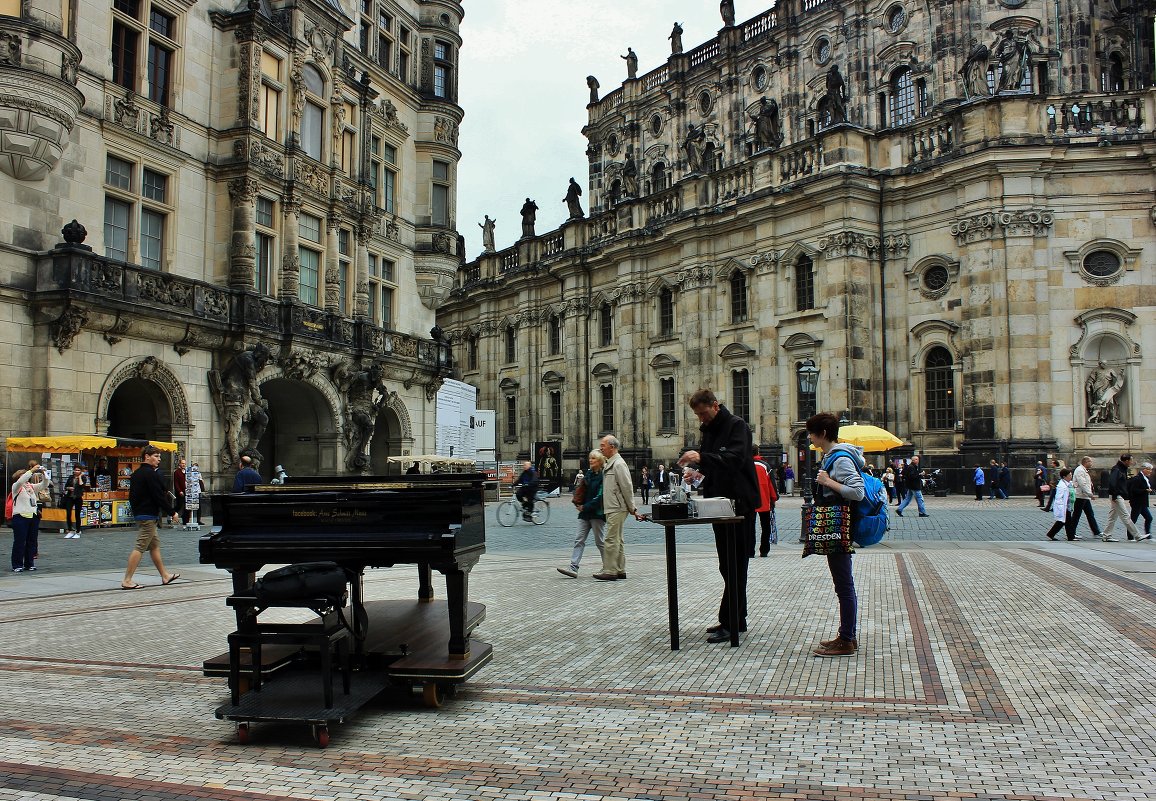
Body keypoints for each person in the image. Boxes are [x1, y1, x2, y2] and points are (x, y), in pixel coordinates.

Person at [678, 389, 760, 644]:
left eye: (703, 413)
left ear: (715, 405)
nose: (701, 419)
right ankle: (737, 617)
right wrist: (697, 475)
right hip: (718, 504)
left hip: (739, 504)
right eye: (697, 415)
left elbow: (733, 459)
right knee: (726, 564)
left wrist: (701, 457)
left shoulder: (737, 426)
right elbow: (713, 467)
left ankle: (731, 621)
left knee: (735, 563)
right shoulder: (709, 429)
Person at [806, 412, 864, 657]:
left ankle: (847, 640)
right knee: (842, 583)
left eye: (812, 432)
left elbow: (858, 491)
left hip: (839, 526)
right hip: (835, 526)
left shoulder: (840, 459)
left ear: (823, 434)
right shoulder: (832, 457)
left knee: (844, 584)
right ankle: (846, 634)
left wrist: (828, 482)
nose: (809, 436)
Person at [121, 445, 179, 589]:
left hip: (141, 513)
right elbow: (158, 496)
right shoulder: (151, 474)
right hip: (148, 515)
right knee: (140, 547)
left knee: (154, 546)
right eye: (156, 456)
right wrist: (172, 512)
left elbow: (132, 497)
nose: (158, 460)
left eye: (159, 457)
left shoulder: (136, 474)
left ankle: (165, 575)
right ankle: (127, 580)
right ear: (146, 456)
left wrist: (137, 511)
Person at [593, 435, 642, 581]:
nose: (601, 448)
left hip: (617, 507)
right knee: (618, 539)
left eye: (603, 445)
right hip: (613, 506)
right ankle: (620, 569)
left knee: (610, 539)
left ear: (612, 447)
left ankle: (610, 570)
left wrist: (632, 508)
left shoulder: (618, 464)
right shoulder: (611, 463)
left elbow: (627, 487)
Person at [558, 450, 606, 578]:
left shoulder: (603, 476)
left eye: (594, 459)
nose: (590, 460)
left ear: (600, 461)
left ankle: (608, 566)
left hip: (597, 513)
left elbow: (600, 497)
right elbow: (581, 490)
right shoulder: (589, 474)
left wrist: (585, 507)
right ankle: (573, 567)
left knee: (600, 542)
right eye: (590, 458)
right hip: (584, 514)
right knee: (579, 539)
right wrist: (578, 503)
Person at [10, 467, 47, 572]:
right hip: (20, 516)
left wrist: (44, 474)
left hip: (32, 516)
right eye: (23, 477)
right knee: (19, 541)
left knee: (31, 541)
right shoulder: (16, 487)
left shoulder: (30, 487)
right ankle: (17, 564)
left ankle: (29, 563)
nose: (26, 480)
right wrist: (31, 471)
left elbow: (44, 485)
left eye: (26, 477)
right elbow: (21, 481)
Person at [1102, 453, 1139, 542]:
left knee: (1112, 517)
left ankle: (1106, 535)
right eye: (1131, 460)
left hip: (1118, 494)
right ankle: (1137, 535)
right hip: (1116, 495)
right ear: (1126, 461)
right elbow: (1112, 482)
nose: (1132, 462)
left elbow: (1122, 482)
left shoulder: (1122, 469)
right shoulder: (1117, 469)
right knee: (1125, 516)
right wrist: (1114, 494)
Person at [753, 455, 778, 557]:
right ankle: (764, 550)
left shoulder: (745, 464)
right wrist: (774, 497)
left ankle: (750, 550)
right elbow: (772, 484)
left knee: (750, 527)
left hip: (750, 501)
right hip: (764, 500)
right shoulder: (765, 466)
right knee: (765, 526)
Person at [1071, 456, 1102, 538]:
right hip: (1080, 496)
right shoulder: (1080, 470)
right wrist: (1090, 494)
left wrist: (1089, 494)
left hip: (1084, 496)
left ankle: (1096, 531)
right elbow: (1082, 484)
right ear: (1086, 462)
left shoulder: (1083, 470)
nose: (1091, 463)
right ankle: (1071, 533)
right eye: (1090, 462)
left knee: (1090, 514)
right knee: (1076, 515)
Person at [1044, 468, 1077, 541]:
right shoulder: (1062, 486)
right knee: (1065, 522)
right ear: (1064, 477)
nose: (1071, 476)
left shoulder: (1068, 483)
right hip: (1063, 506)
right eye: (1069, 475)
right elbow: (1059, 497)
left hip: (1067, 505)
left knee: (1065, 521)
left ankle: (1053, 534)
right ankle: (1069, 536)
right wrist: (1061, 506)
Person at [1127, 461, 1154, 540]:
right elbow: (1134, 490)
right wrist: (1145, 490)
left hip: (1143, 503)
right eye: (1149, 469)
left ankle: (1148, 534)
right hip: (1137, 502)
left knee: (1149, 518)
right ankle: (1130, 536)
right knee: (1133, 519)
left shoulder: (1146, 478)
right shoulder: (1138, 478)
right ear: (1144, 469)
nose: (1150, 471)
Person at [62, 464, 89, 538]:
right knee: (68, 513)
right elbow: (66, 486)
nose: (76, 471)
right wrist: (69, 488)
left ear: (81, 471)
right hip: (70, 497)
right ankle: (70, 530)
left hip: (78, 497)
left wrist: (80, 477)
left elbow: (81, 485)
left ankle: (78, 531)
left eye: (78, 470)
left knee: (77, 514)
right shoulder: (71, 477)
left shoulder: (83, 477)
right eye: (75, 470)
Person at [172, 457, 187, 526]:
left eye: (184, 463)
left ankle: (185, 520)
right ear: (179, 464)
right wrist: (179, 491)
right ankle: (172, 513)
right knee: (179, 505)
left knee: (186, 507)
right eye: (182, 463)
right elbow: (176, 483)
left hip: (186, 491)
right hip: (180, 492)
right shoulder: (177, 472)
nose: (183, 465)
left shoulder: (186, 471)